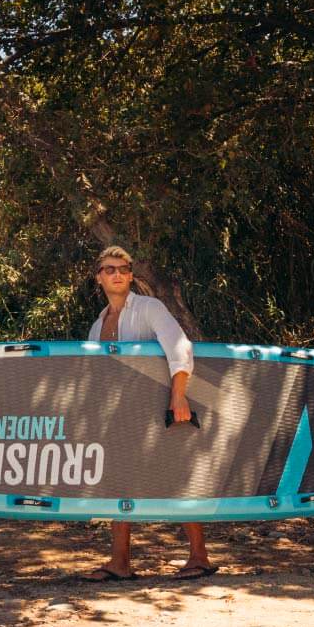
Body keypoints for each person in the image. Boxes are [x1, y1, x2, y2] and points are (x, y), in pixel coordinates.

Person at [83, 245, 218, 581]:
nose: (118, 274)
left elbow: (179, 346)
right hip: (120, 416)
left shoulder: (149, 308)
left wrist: (179, 397)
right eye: (110, 269)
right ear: (99, 277)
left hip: (161, 411)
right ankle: (120, 563)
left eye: (124, 269)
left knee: (176, 476)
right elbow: (98, 374)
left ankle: (200, 558)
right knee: (119, 484)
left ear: (131, 275)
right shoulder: (97, 325)